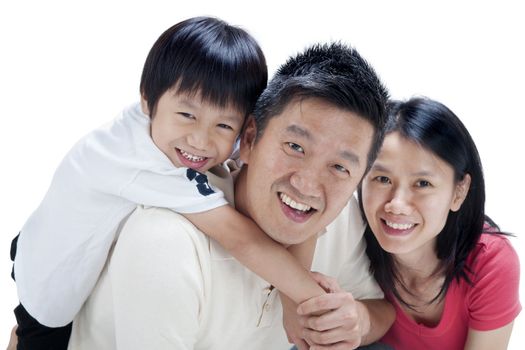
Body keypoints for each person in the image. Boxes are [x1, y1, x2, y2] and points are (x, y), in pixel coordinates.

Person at [10, 16, 334, 350]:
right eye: (187, 116)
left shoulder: (164, 123)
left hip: (52, 225)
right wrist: (310, 298)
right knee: (41, 330)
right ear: (148, 100)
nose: (200, 140)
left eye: (224, 126)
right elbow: (240, 239)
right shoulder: (141, 162)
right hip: (51, 266)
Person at [66, 42, 395, 349]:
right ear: (250, 139)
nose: (307, 185)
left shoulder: (341, 218)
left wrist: (356, 322)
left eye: (339, 167)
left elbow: (380, 308)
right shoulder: (167, 242)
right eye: (295, 147)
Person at [355, 97, 521, 349]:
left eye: (422, 184)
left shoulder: (489, 262)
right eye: (381, 178)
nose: (396, 204)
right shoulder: (351, 239)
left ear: (459, 192)